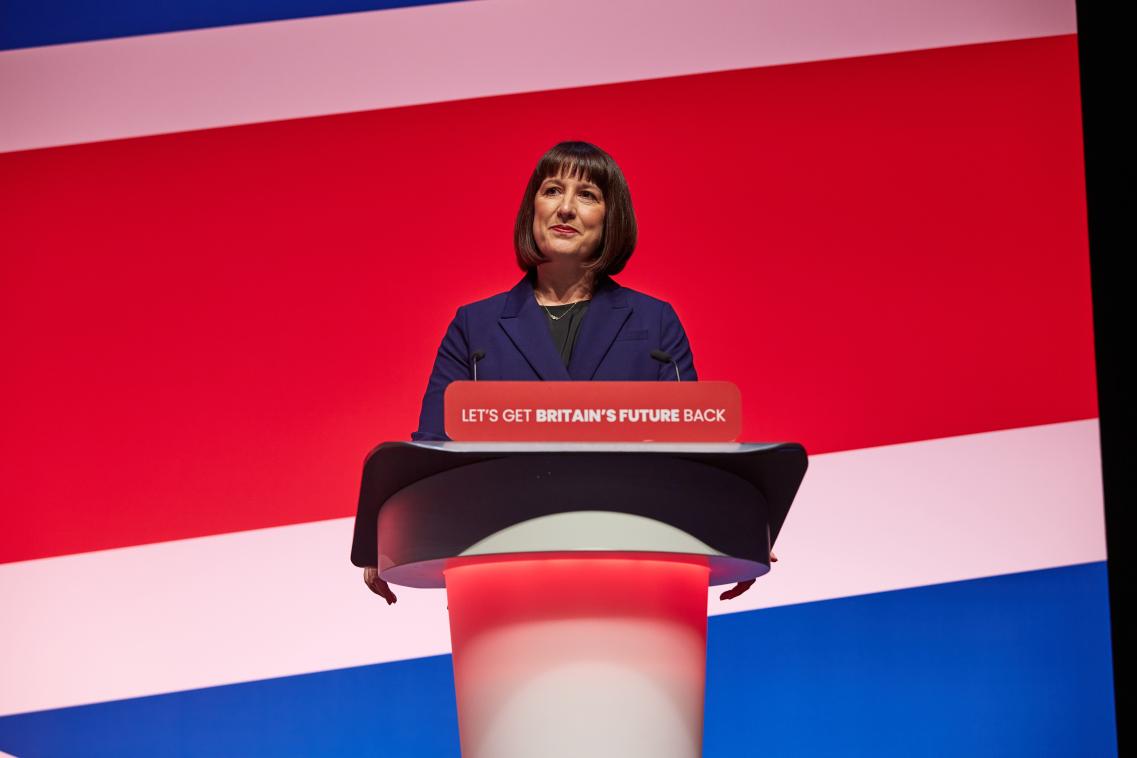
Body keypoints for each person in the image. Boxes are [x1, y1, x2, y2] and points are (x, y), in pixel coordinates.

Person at [363, 141, 768, 605]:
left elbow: (695, 456)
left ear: (610, 218)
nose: (567, 208)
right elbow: (430, 454)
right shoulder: (473, 326)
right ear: (532, 208)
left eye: (589, 195)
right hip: (503, 576)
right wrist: (390, 529)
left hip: (635, 572)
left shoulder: (655, 323)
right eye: (553, 189)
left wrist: (739, 525)